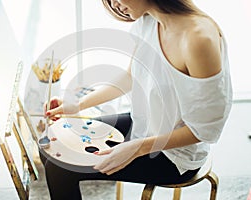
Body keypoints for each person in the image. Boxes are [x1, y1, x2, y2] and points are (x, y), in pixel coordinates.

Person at [41, 0, 233, 199]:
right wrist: (77, 105)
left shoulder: (198, 39)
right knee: (55, 147)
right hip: (144, 125)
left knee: (60, 169)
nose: (114, 5)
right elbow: (130, 77)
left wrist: (136, 148)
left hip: (175, 154)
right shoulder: (147, 21)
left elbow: (204, 130)